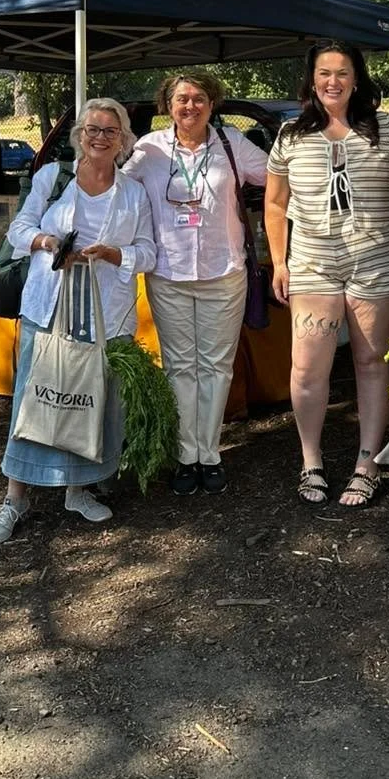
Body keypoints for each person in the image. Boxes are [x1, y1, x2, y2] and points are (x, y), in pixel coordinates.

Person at [0, 98, 155, 544]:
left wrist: (116, 254)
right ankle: (14, 499)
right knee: (36, 397)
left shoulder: (133, 192)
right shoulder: (52, 177)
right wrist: (46, 241)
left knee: (91, 399)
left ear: (123, 141)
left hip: (106, 312)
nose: (100, 138)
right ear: (80, 134)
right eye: (93, 130)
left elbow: (149, 252)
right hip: (50, 305)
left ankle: (77, 489)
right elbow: (18, 229)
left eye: (110, 131)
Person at [265, 40, 389, 508]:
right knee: (308, 368)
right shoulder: (290, 134)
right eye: (324, 73)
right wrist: (280, 260)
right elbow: (275, 202)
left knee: (371, 362)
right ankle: (311, 461)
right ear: (311, 80)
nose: (333, 82)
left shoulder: (387, 130)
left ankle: (368, 464)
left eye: (343, 73)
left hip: (377, 262)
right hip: (313, 265)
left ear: (357, 79)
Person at [124, 72, 268, 495]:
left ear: (212, 103)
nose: (190, 106)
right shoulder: (149, 149)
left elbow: (277, 175)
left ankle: (211, 452)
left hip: (224, 272)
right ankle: (187, 455)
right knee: (181, 368)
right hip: (168, 274)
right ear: (167, 105)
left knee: (217, 367)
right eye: (181, 99)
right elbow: (118, 191)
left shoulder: (231, 144)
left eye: (199, 98)